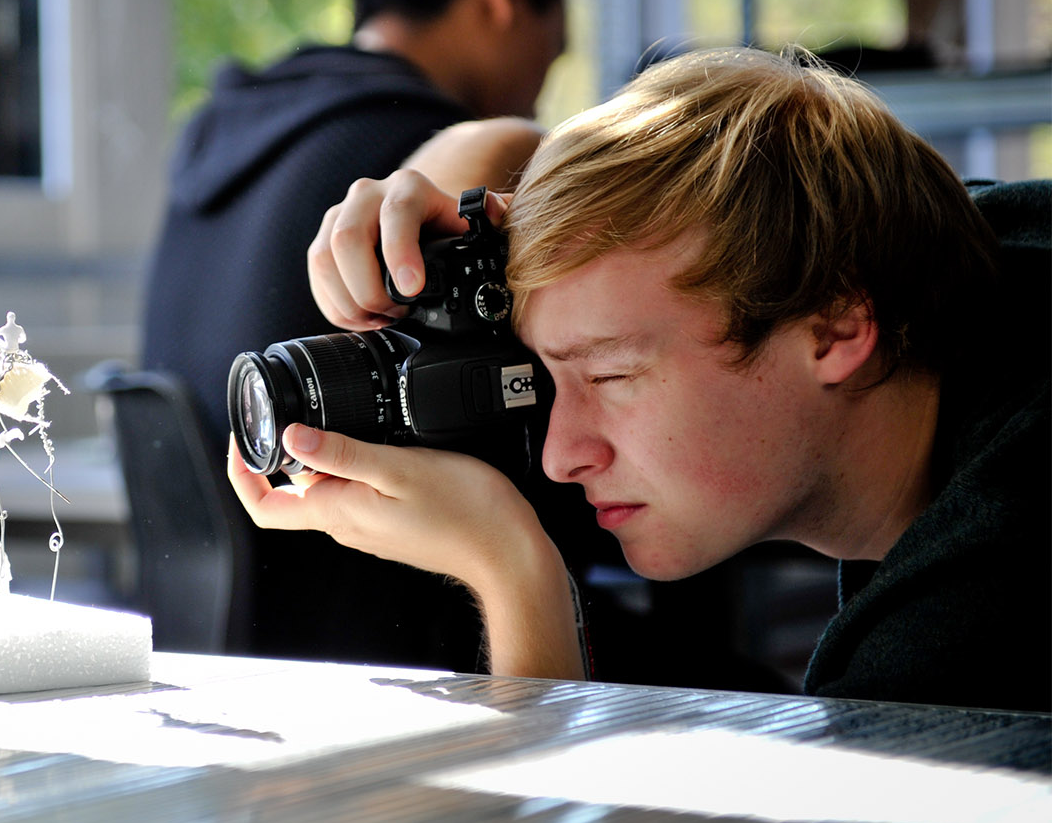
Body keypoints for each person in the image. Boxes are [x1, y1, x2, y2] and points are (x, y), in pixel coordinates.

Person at [234, 46, 1050, 713]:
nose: (561, 455)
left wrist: (512, 573)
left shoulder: (972, 629)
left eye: (613, 374)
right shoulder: (957, 243)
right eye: (553, 374)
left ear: (836, 328)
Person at [140, 0, 569, 667]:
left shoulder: (222, 138)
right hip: (402, 650)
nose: (547, 68)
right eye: (554, 44)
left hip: (222, 647)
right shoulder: (406, 164)